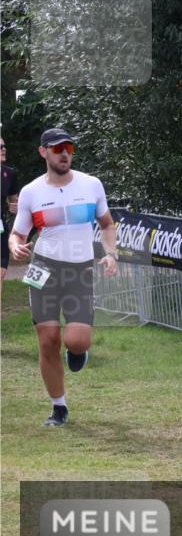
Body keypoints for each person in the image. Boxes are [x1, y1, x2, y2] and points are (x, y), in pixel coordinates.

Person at [8, 128, 118, 427]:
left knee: (76, 340)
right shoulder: (32, 191)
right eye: (57, 149)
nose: (64, 153)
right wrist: (17, 246)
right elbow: (18, 233)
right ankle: (59, 407)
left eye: (68, 147)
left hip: (79, 269)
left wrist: (110, 253)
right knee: (47, 339)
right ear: (43, 152)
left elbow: (107, 224)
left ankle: (78, 351)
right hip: (43, 267)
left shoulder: (91, 184)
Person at [1, 136, 19, 284]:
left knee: (1, 272)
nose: (4, 149)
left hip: (1, 228)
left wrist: (15, 207)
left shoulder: (9, 174)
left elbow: (15, 203)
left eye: (4, 146)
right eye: (0, 147)